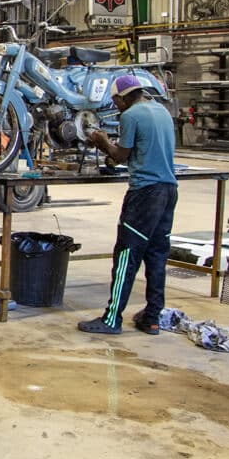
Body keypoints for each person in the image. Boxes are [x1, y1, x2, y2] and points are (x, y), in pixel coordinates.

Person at [78, 74, 178, 336]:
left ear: (122, 98)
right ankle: (152, 318)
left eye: (115, 102)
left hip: (145, 194)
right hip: (168, 191)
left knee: (126, 256)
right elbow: (140, 152)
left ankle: (112, 319)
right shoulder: (162, 112)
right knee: (156, 256)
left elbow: (121, 154)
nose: (115, 107)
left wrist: (102, 142)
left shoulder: (130, 116)